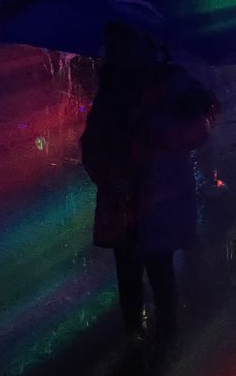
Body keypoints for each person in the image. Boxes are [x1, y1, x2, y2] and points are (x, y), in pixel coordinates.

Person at [80, 22, 219, 357]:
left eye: (124, 43)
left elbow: (198, 130)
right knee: (129, 272)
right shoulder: (110, 90)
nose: (118, 52)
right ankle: (137, 338)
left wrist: (159, 132)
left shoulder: (172, 83)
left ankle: (166, 341)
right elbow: (92, 144)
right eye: (114, 45)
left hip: (160, 197)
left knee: (159, 270)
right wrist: (112, 173)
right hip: (123, 198)